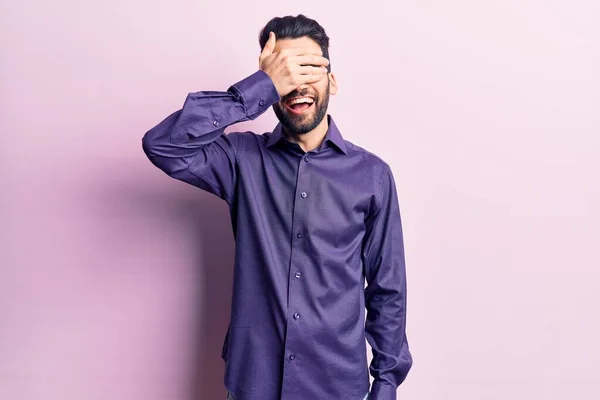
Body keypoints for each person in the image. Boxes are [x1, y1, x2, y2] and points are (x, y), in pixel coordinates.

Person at [142, 14, 412, 400]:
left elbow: (388, 290)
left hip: (338, 385)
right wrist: (258, 87)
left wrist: (386, 384)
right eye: (286, 71)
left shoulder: (372, 175)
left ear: (332, 81)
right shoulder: (240, 159)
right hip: (255, 381)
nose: (298, 83)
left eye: (310, 68)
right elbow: (163, 145)